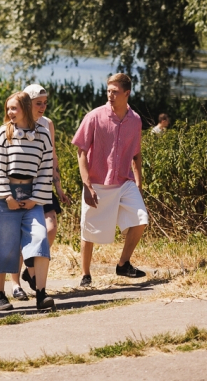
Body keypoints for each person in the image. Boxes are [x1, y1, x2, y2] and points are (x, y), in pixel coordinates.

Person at [72, 73, 149, 287]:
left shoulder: (135, 121)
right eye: (108, 91)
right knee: (88, 231)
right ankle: (85, 274)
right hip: (97, 181)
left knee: (141, 219)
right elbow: (81, 151)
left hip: (124, 181)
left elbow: (136, 154)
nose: (110, 95)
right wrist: (87, 185)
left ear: (127, 93)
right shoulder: (94, 117)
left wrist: (139, 183)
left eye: (115, 92)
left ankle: (123, 264)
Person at [0, 92, 55, 311]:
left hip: (32, 196)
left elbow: (46, 168)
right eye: (8, 108)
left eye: (14, 108)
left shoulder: (43, 134)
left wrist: (35, 198)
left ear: (24, 107)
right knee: (2, 244)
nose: (9, 113)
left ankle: (41, 295)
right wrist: (7, 196)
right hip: (5, 198)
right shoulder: (4, 132)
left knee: (40, 239)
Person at [9, 84, 72, 301]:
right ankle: (15, 284)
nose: (43, 107)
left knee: (50, 228)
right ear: (28, 103)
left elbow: (52, 157)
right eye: (39, 103)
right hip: (21, 187)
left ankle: (31, 268)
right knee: (18, 236)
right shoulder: (14, 122)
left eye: (45, 103)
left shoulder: (47, 125)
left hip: (43, 187)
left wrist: (59, 188)